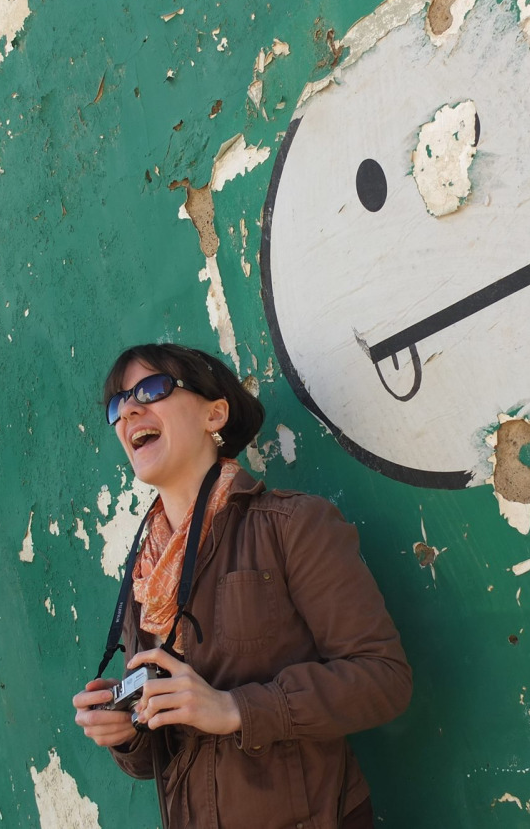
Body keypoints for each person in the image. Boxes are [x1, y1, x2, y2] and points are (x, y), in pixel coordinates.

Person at [72, 343, 412, 829]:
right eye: (118, 403)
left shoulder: (293, 525)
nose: (129, 409)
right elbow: (159, 759)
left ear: (215, 414)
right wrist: (127, 731)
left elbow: (384, 679)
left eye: (151, 389)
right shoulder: (144, 576)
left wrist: (234, 709)